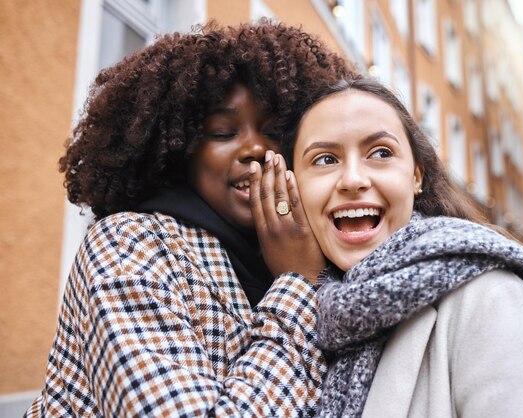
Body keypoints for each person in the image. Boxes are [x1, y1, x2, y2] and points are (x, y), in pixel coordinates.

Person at [26, 20, 354, 417]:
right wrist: (298, 283)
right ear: (180, 150)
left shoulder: (334, 254)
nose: (253, 148)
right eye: (222, 132)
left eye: (275, 131)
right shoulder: (129, 244)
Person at [250, 78, 523, 417]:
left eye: (380, 153)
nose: (353, 180)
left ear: (416, 175)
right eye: (325, 159)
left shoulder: (493, 299)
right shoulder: (318, 314)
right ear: (291, 183)